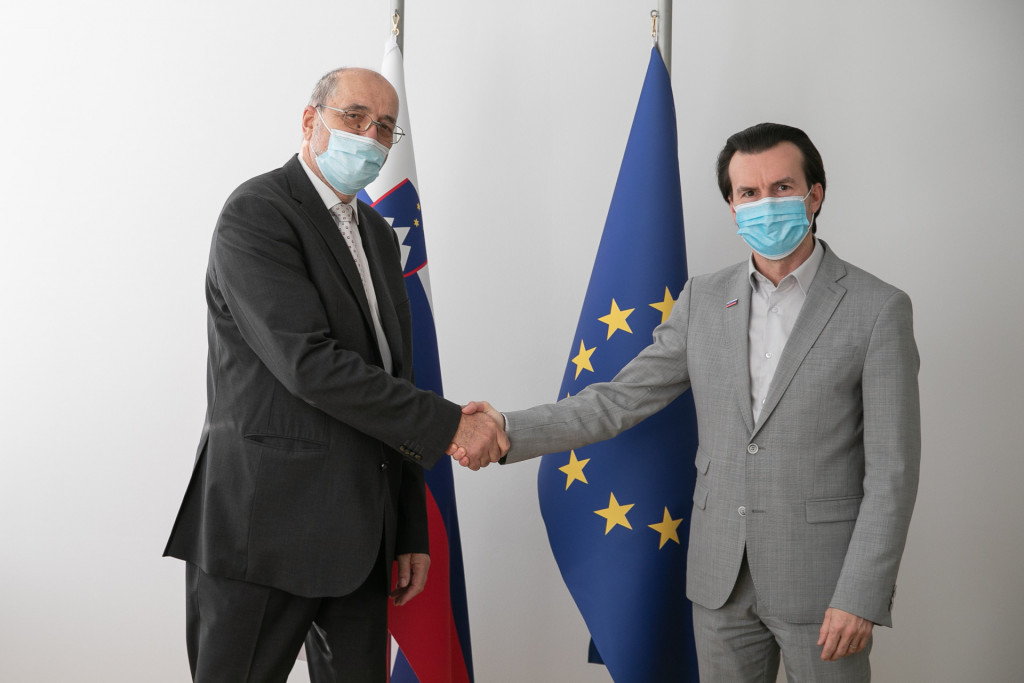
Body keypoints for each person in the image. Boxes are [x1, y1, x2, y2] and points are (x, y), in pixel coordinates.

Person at [458, 123, 920, 682]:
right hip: (719, 579)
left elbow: (892, 472)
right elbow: (618, 399)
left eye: (781, 187)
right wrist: (506, 427)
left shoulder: (877, 308)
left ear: (814, 194)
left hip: (824, 585)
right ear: (732, 205)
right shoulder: (703, 298)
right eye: (748, 193)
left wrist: (862, 593)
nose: (765, 203)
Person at [164, 67, 506, 683]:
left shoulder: (378, 234)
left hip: (360, 537)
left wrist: (408, 526)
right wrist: (452, 425)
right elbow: (310, 365)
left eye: (385, 127)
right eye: (354, 117)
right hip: (261, 529)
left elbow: (395, 376)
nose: (370, 137)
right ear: (310, 120)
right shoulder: (257, 213)